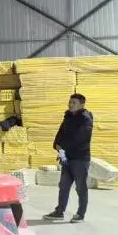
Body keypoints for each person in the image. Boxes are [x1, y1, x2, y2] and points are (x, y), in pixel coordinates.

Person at [44, 94, 93, 223]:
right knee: (64, 186)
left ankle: (80, 214)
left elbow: (81, 139)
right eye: (70, 102)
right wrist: (57, 145)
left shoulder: (85, 119)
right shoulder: (68, 116)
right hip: (67, 158)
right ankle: (59, 212)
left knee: (80, 187)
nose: (70, 104)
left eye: (74, 103)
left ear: (82, 105)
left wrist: (63, 147)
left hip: (80, 159)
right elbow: (60, 133)